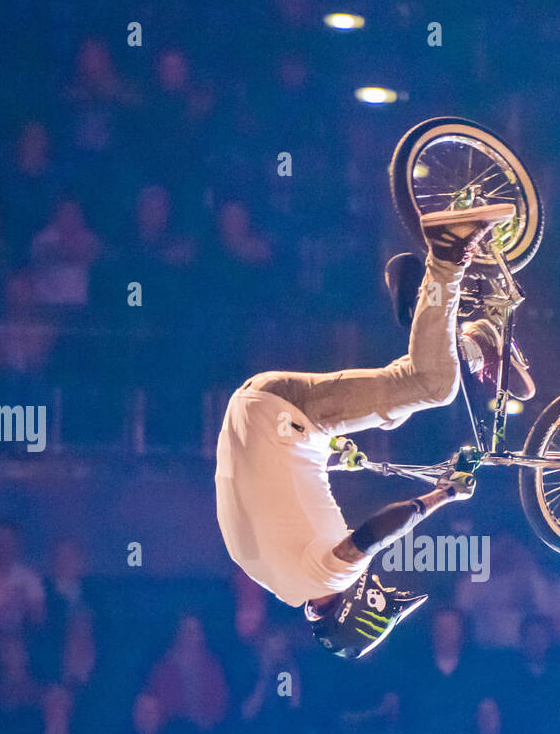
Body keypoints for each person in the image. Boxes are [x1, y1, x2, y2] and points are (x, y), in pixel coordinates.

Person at [215, 204, 521, 658]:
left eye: (379, 592)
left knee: (432, 386)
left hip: (286, 413)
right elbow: (270, 485)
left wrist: (441, 497)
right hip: (257, 411)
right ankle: (442, 324)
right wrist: (335, 452)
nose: (377, 581)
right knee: (395, 407)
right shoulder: (276, 577)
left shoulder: (326, 579)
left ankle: (449, 253)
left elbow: (375, 534)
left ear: (359, 608)